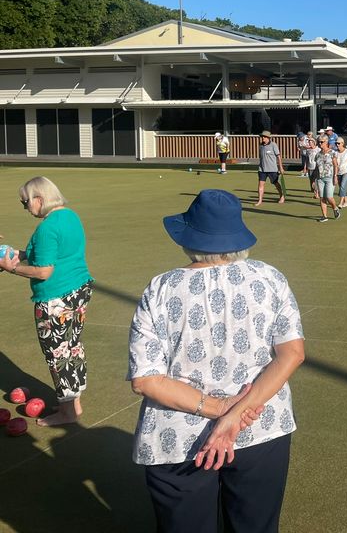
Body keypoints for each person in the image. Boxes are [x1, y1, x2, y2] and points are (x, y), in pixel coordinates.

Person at [127, 189, 305, 533]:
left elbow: (146, 379)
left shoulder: (160, 289)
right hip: (261, 425)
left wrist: (221, 409)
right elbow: (292, 353)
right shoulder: (271, 278)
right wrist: (235, 413)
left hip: (177, 437)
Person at [0, 176, 93, 426]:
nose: (25, 207)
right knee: (72, 346)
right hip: (79, 290)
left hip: (56, 299)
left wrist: (10, 268)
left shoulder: (46, 227)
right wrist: (17, 254)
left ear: (39, 199)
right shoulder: (70, 216)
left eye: (25, 202)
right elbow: (47, 253)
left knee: (58, 353)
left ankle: (68, 413)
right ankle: (74, 403)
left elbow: (43, 270)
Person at [315, 136, 342, 222]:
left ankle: (335, 208)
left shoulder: (332, 153)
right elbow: (316, 167)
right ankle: (324, 216)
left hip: (330, 177)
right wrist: (314, 180)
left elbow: (335, 165)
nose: (320, 143)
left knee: (329, 197)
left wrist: (335, 176)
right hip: (320, 178)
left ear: (326, 142)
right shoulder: (318, 154)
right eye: (319, 142)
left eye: (322, 142)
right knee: (322, 197)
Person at [255, 131, 285, 206]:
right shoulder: (260, 146)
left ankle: (282, 195)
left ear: (268, 138)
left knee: (276, 183)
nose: (262, 138)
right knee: (260, 184)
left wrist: (281, 167)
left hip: (272, 169)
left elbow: (278, 156)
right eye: (262, 137)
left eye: (264, 137)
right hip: (262, 169)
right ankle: (260, 200)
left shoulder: (273, 145)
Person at [334, 137, 347, 208]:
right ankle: (346, 202)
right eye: (336, 143)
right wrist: (335, 175)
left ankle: (341, 203)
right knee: (343, 187)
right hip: (339, 172)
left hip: (346, 171)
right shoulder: (335, 153)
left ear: (342, 143)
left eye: (338, 143)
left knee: (342, 186)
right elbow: (335, 164)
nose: (337, 145)